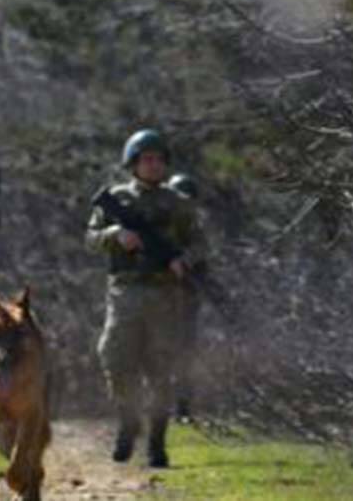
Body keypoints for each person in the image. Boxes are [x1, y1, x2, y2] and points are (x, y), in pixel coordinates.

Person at [85, 129, 205, 468]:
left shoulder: (178, 204)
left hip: (166, 294)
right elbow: (90, 237)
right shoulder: (117, 198)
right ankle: (128, 420)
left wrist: (185, 260)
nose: (152, 165)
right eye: (146, 159)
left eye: (158, 159)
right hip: (124, 292)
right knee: (115, 358)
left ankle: (156, 441)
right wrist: (115, 234)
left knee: (161, 370)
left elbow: (200, 243)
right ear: (133, 163)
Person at [165, 172, 205, 421]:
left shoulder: (194, 230)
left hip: (185, 300)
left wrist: (185, 262)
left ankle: (182, 408)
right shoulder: (160, 225)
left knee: (184, 356)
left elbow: (200, 255)